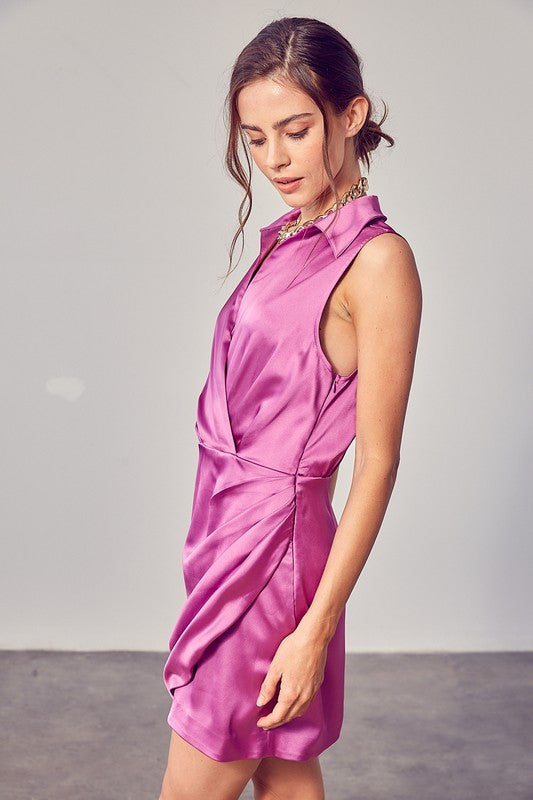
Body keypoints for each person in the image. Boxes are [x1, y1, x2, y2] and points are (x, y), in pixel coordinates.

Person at [158, 16, 422, 800]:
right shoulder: (291, 235)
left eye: (295, 131)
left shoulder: (377, 263)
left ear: (350, 116)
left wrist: (313, 629)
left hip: (273, 562)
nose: (273, 159)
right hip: (226, 537)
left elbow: (377, 464)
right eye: (255, 138)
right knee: (284, 772)